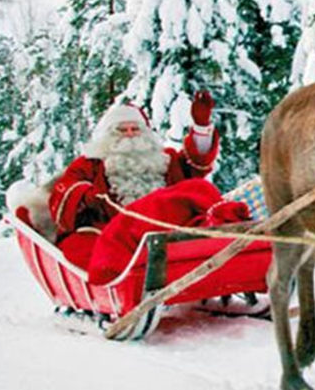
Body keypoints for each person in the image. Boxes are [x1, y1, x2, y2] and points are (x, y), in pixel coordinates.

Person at [49, 91, 249, 282]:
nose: (130, 135)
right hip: (113, 233)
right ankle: (128, 282)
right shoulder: (91, 163)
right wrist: (86, 195)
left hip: (169, 229)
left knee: (198, 188)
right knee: (83, 250)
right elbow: (66, 189)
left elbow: (196, 168)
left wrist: (201, 128)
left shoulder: (165, 159)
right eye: (122, 130)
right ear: (108, 135)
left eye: (135, 129)